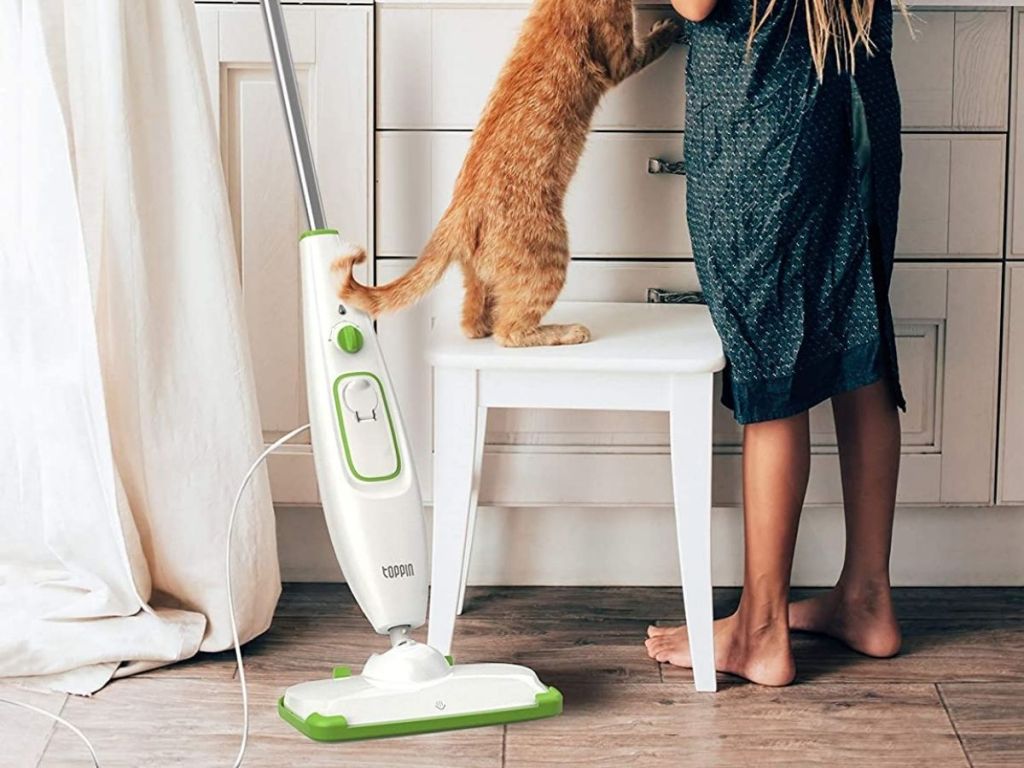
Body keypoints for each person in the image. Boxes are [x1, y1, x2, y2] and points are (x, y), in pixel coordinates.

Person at [645, 0, 908, 686]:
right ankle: (867, 599)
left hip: (766, 118)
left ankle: (760, 631)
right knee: (860, 339)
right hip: (854, 102)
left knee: (774, 364)